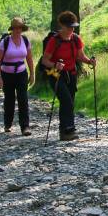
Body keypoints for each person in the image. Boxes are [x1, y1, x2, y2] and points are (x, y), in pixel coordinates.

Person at [41, 10, 96, 141]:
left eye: (73, 26)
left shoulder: (76, 39)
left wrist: (90, 61)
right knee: (66, 100)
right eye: (69, 26)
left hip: (71, 74)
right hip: (55, 74)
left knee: (69, 102)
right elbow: (45, 60)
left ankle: (64, 131)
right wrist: (55, 65)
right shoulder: (54, 41)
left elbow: (80, 56)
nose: (72, 29)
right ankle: (69, 129)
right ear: (62, 26)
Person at [0, 17, 36, 135]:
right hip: (6, 74)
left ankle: (25, 126)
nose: (18, 30)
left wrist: (32, 74)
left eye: (20, 28)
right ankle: (7, 123)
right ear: (12, 29)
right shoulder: (5, 42)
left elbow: (29, 58)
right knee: (9, 99)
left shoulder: (25, 40)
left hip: (21, 73)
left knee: (23, 99)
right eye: (15, 28)